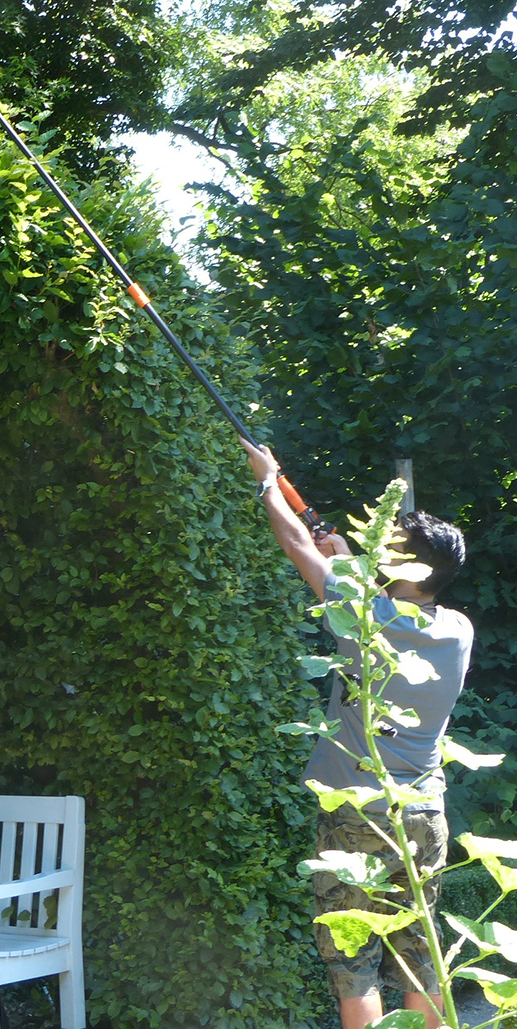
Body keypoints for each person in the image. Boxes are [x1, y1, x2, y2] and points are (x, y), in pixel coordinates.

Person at [241, 439, 473, 1029]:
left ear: (401, 563)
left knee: (356, 960)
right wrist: (346, 558)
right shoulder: (457, 630)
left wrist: (269, 481)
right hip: (424, 813)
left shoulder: (363, 614)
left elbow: (295, 544)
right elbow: (376, 599)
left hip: (359, 814)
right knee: (421, 958)